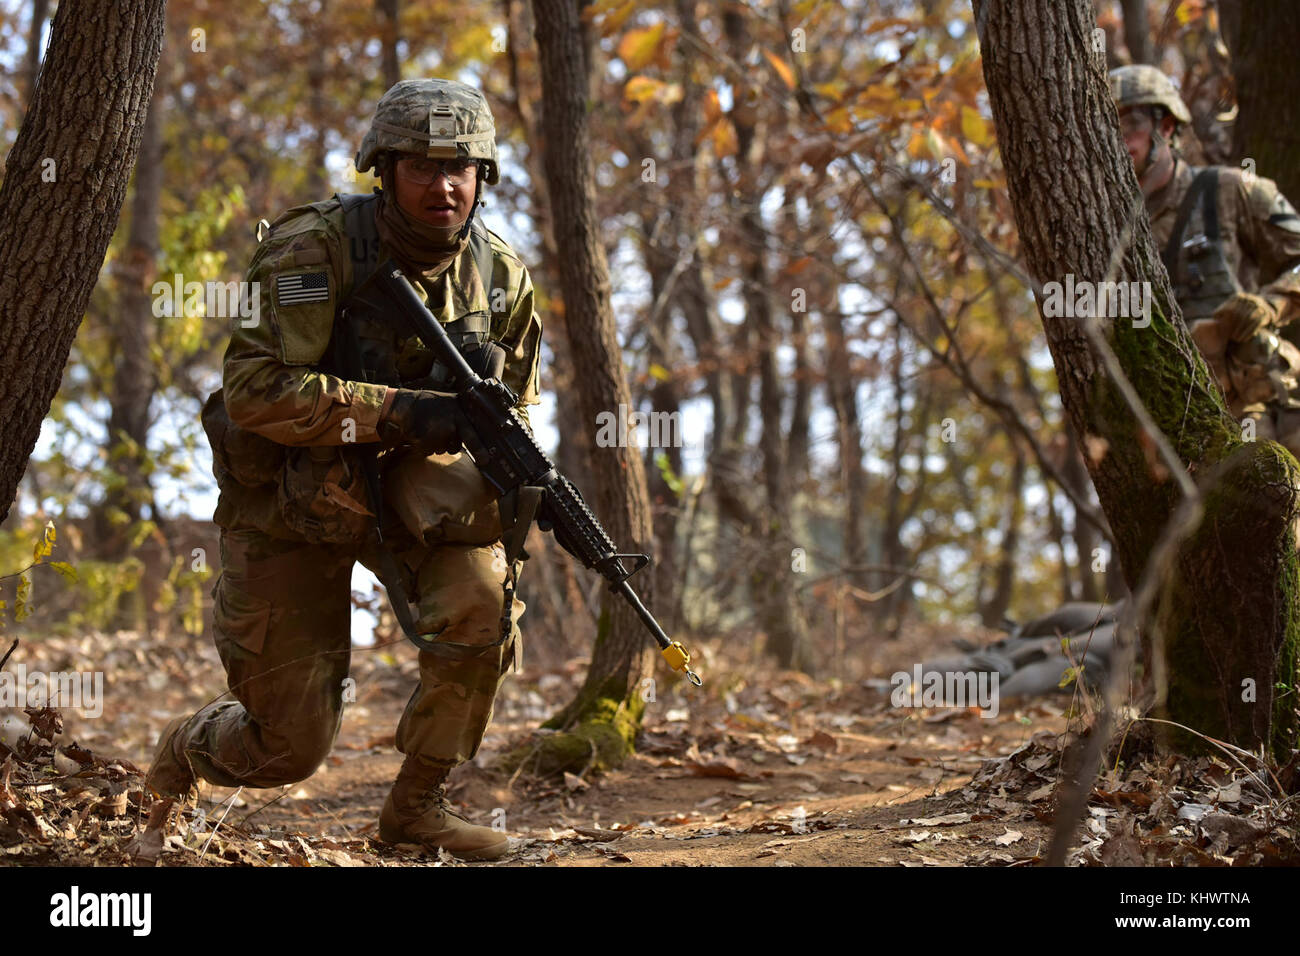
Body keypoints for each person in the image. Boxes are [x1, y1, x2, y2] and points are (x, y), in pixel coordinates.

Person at [145, 78, 544, 862]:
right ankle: (184, 750)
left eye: (461, 167)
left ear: (483, 177)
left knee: (481, 604)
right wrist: (399, 409)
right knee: (286, 750)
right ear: (384, 171)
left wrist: (517, 479)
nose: (445, 185)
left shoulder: (502, 280)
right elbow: (255, 390)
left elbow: (517, 414)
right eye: (423, 167)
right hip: (292, 501)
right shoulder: (311, 249)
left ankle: (417, 810)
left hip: (415, 497)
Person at [1109, 64, 1300, 451]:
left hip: (1264, 412)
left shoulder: (1227, 190)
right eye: (1108, 129)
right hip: (1181, 433)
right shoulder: (1109, 232)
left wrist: (1269, 305)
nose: (1119, 140)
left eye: (1130, 124)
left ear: (1165, 127)